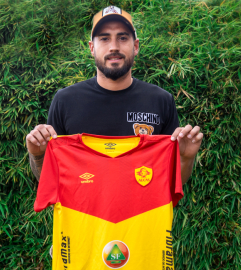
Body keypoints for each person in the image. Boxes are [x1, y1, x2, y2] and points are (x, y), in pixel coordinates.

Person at [26, 6, 203, 185]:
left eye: (123, 37)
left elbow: (171, 183)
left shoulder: (161, 100)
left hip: (142, 212)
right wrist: (38, 156)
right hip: (83, 212)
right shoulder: (65, 100)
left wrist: (186, 158)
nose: (113, 47)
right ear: (92, 48)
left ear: (135, 46)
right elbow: (50, 182)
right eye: (104, 38)